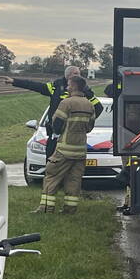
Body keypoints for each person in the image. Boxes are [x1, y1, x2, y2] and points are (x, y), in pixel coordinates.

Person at [37, 76, 95, 214]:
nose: (67, 87)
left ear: (74, 86)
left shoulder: (66, 103)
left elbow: (57, 125)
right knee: (74, 180)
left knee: (51, 176)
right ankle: (69, 210)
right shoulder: (89, 104)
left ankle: (46, 209)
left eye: (69, 85)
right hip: (80, 151)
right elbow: (90, 127)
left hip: (64, 149)